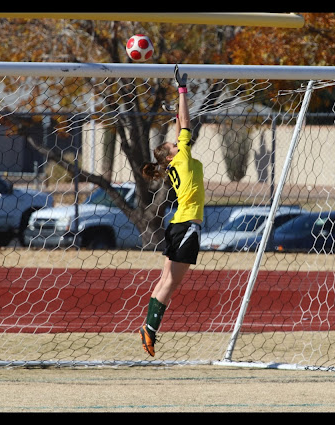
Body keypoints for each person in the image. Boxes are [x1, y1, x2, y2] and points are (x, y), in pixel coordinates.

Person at [138, 65, 205, 357]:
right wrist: (181, 90)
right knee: (172, 283)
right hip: (187, 225)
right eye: (173, 144)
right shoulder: (182, 156)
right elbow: (185, 125)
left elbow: (181, 125)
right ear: (170, 154)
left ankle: (147, 327)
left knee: (164, 280)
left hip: (177, 224)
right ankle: (150, 330)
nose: (177, 141)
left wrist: (174, 111)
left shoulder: (177, 161)